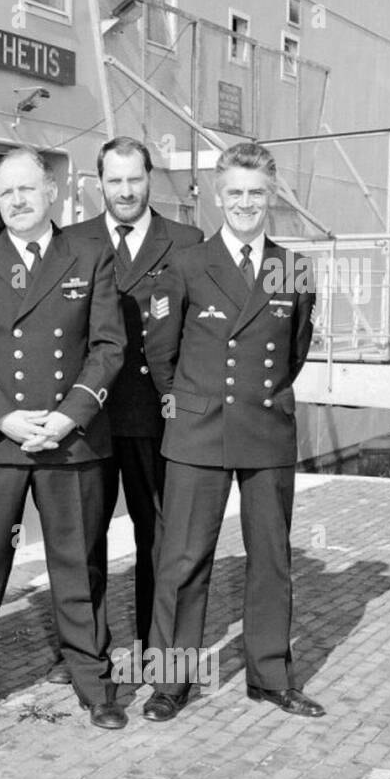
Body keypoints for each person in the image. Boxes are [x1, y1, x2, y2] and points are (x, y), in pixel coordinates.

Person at [0, 147, 127, 730]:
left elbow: (108, 346)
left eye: (28, 190)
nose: (17, 201)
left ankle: (94, 683)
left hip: (70, 439)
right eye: (6, 193)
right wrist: (3, 417)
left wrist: (71, 414)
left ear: (52, 194)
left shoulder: (90, 257)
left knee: (78, 564)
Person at [141, 142, 321, 722]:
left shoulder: (291, 266)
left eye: (257, 193)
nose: (246, 203)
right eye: (236, 192)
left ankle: (269, 677)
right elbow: (160, 354)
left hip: (266, 424)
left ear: (272, 197)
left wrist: (254, 395)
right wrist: (191, 401)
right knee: (184, 558)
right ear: (219, 197)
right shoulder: (189, 263)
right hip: (198, 428)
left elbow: (293, 352)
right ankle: (171, 682)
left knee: (271, 557)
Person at [60, 137, 203, 664]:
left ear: (150, 179)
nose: (125, 191)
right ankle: (82, 650)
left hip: (152, 413)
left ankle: (157, 648)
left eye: (135, 179)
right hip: (88, 415)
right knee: (83, 542)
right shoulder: (71, 240)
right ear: (100, 183)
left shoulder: (186, 240)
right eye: (114, 180)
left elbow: (195, 331)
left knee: (159, 538)